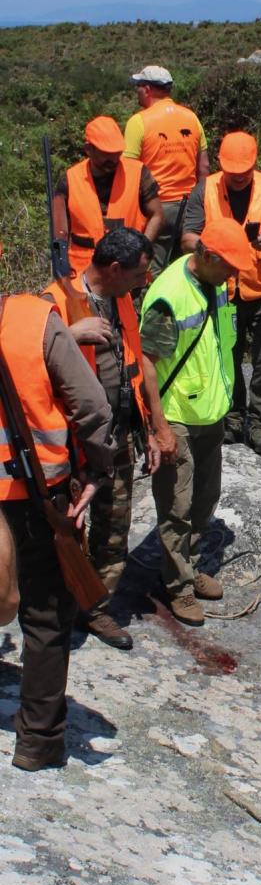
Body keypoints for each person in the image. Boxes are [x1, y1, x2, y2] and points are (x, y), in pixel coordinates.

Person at [43, 228, 177, 650]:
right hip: (72, 444)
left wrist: (154, 429)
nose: (145, 281)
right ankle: (52, 611)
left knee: (114, 529)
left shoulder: (123, 301)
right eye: (139, 273)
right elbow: (22, 367)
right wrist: (69, 335)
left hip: (118, 437)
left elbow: (139, 365)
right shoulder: (53, 303)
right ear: (115, 268)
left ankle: (96, 609)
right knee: (65, 531)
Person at [0, 290, 114, 770]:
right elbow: (93, 408)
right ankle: (39, 743)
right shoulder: (32, 319)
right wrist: (94, 470)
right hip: (33, 496)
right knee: (45, 616)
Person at [139, 220, 251, 626]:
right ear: (206, 256)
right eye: (229, 266)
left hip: (209, 413)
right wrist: (160, 428)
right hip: (178, 418)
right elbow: (147, 362)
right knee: (177, 506)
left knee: (206, 498)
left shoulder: (214, 280)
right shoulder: (171, 296)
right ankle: (178, 588)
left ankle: (189, 563)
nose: (234, 275)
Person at [180, 131, 261, 457]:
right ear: (221, 164)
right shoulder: (205, 189)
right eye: (231, 173)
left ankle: (259, 422)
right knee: (226, 358)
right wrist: (212, 249)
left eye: (243, 173)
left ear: (253, 164)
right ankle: (232, 418)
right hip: (223, 291)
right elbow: (187, 237)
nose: (237, 179)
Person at [124, 65, 209, 276]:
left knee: (149, 271)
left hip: (156, 210)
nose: (137, 91)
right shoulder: (192, 118)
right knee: (188, 270)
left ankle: (150, 308)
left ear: (147, 89)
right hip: (191, 207)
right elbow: (204, 167)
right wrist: (201, 204)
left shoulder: (138, 121)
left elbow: (129, 171)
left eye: (138, 86)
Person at [53, 115, 164, 277]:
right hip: (84, 274)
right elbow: (59, 235)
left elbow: (158, 215)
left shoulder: (139, 172)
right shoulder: (69, 179)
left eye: (116, 153)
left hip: (128, 272)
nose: (113, 159)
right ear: (88, 149)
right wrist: (62, 270)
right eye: (106, 153)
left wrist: (140, 252)